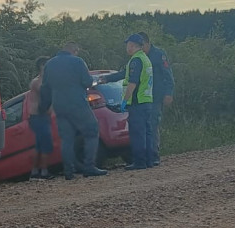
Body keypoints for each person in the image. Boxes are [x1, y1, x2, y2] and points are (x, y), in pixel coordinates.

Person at [38, 41, 108, 180]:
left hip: (59, 106)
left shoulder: (50, 65)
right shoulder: (77, 61)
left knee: (66, 139)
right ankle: (89, 167)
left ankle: (68, 172)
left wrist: (43, 108)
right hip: (77, 104)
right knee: (92, 130)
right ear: (75, 50)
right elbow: (87, 82)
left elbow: (45, 89)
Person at [117, 33, 156, 170]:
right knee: (147, 132)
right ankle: (149, 160)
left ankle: (139, 162)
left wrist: (124, 100)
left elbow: (132, 83)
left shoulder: (136, 60)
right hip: (147, 101)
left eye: (128, 45)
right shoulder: (145, 59)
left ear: (133, 45)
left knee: (137, 133)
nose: (127, 48)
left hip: (137, 102)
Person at [140, 32, 173, 167]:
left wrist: (169, 93)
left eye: (141, 45)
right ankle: (142, 156)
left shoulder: (159, 54)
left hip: (155, 95)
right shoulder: (138, 56)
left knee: (152, 125)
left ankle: (153, 156)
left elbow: (168, 75)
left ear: (147, 43)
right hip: (142, 97)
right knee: (142, 126)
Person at [25, 56, 53, 180]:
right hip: (38, 116)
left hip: (42, 116)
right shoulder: (37, 82)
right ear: (41, 66)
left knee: (40, 145)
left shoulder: (43, 80)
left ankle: (37, 171)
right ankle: (42, 172)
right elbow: (45, 93)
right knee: (43, 145)